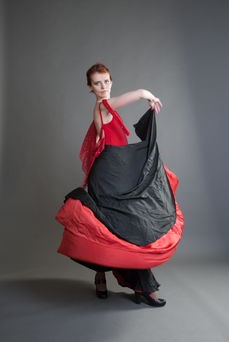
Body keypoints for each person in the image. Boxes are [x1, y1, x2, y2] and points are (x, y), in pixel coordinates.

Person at [55, 62, 184, 308]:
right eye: (97, 83)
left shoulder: (106, 109)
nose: (102, 87)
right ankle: (107, 278)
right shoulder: (102, 106)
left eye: (106, 81)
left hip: (113, 176)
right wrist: (146, 94)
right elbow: (125, 99)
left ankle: (142, 288)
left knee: (123, 231)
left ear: (111, 81)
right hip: (106, 180)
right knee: (110, 231)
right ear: (90, 87)